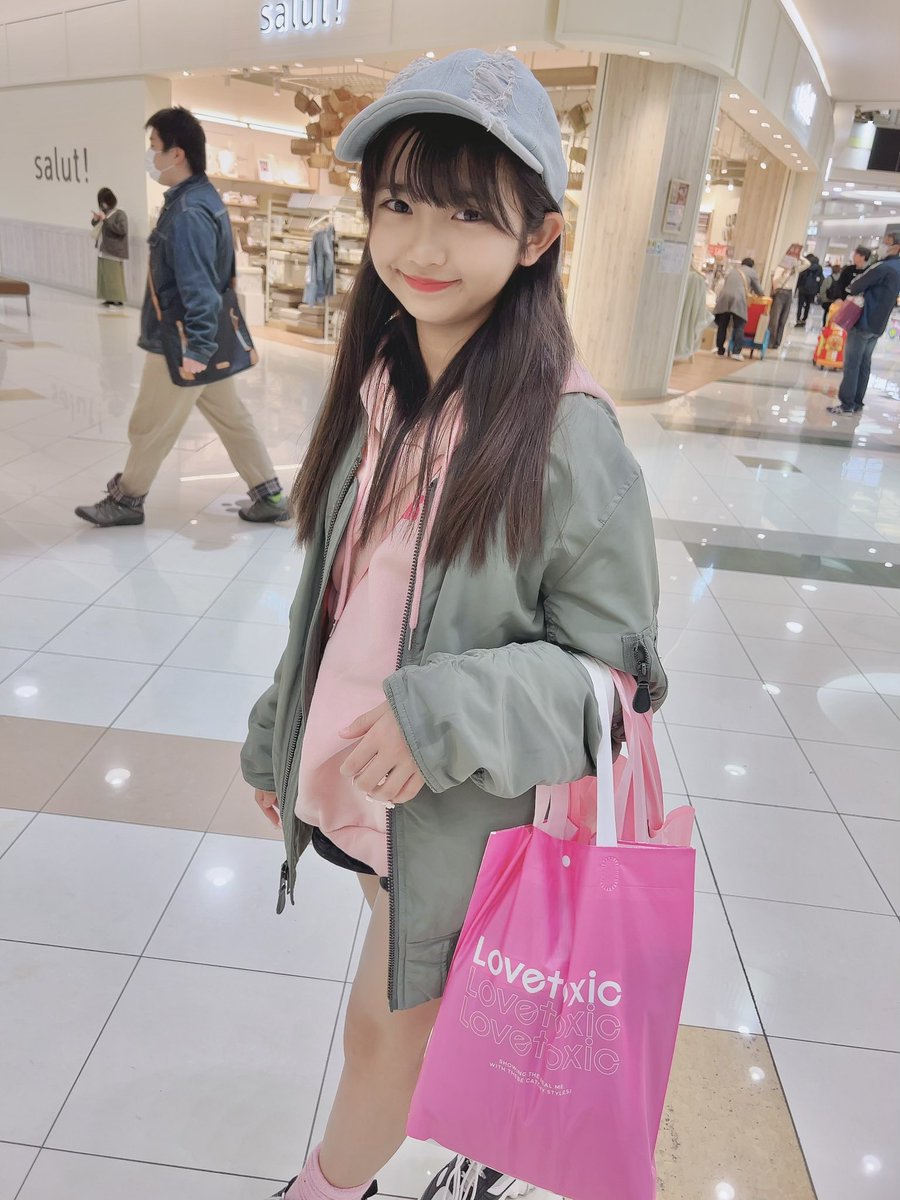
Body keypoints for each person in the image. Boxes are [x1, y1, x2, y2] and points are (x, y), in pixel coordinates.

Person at [240, 49, 666, 1200]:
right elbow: (339, 597)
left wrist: (443, 717)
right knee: (403, 1003)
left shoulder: (568, 435)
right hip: (370, 792)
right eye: (398, 204)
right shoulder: (382, 381)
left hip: (460, 803)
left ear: (538, 237)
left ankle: (329, 1189)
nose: (423, 245)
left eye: (470, 214)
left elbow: (618, 683)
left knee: (385, 1030)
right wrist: (280, 732)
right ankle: (454, 1143)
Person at [75, 107, 289, 527]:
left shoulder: (189, 212)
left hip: (181, 340)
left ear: (177, 154)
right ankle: (270, 495)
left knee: (150, 424)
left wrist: (198, 348)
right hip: (199, 339)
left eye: (154, 147)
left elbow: (199, 288)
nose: (150, 156)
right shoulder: (199, 199)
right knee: (232, 418)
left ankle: (127, 500)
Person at [827, 231, 900, 415]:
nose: (882, 246)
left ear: (896, 247)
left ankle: (847, 404)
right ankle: (857, 402)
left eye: (886, 243)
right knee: (865, 363)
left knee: (852, 363)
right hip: (879, 324)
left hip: (864, 320)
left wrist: (853, 287)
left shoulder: (883, 267)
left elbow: (856, 285)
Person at [713, 256, 763, 359]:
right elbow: (759, 291)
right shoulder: (752, 272)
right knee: (739, 325)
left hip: (724, 298)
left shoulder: (733, 271)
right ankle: (736, 352)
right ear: (752, 266)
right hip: (738, 299)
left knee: (722, 325)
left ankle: (720, 351)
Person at [91, 188, 128, 307]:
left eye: (104, 202)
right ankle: (109, 297)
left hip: (114, 250)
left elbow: (122, 230)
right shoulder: (105, 213)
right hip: (104, 249)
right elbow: (97, 225)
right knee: (105, 274)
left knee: (114, 275)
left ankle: (117, 299)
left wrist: (105, 220)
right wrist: (96, 219)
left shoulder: (120, 214)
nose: (102, 205)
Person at [768, 243, 809, 348]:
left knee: (783, 320)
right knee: (774, 319)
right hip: (780, 292)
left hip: (789, 293)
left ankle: (777, 342)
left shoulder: (795, 269)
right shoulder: (780, 267)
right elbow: (775, 281)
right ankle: (770, 342)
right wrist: (783, 275)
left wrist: (800, 257)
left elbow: (807, 264)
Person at [794, 253, 823, 327]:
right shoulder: (819, 267)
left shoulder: (806, 265)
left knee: (800, 305)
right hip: (812, 290)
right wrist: (818, 291)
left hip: (802, 288)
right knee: (808, 305)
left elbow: (800, 277)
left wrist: (796, 288)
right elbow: (821, 280)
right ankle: (804, 319)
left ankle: (798, 319)